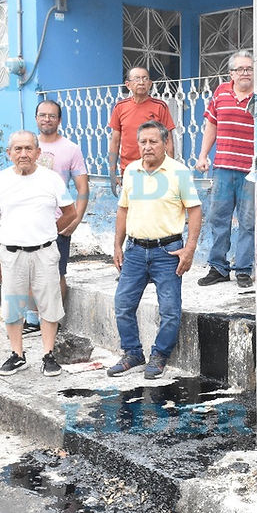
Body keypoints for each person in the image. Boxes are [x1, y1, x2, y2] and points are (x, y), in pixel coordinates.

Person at [107, 121, 202, 380]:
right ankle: (132, 353)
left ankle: (159, 355)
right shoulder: (131, 171)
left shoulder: (179, 173)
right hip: (135, 251)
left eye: (153, 142)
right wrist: (117, 244)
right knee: (123, 305)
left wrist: (190, 248)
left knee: (170, 310)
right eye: (143, 142)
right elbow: (123, 209)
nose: (147, 147)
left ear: (165, 143)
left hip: (168, 252)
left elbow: (194, 210)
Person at [0, 131, 75, 377]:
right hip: (12, 254)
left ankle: (48, 355)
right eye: (18, 149)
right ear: (9, 153)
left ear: (37, 152)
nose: (23, 154)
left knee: (49, 304)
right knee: (13, 306)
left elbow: (70, 212)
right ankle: (17, 355)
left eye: (28, 149)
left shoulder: (51, 179)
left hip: (45, 252)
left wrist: (48, 231)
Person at [17, 100, 89, 334]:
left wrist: (75, 219)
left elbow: (82, 188)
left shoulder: (71, 149)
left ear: (59, 120)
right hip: (27, 222)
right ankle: (33, 320)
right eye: (42, 115)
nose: (47, 119)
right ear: (36, 118)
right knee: (28, 273)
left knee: (56, 274)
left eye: (52, 116)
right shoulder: (25, 147)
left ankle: (53, 321)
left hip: (57, 223)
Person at [195, 50, 256, 289]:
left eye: (249, 68)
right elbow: (212, 124)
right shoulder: (221, 91)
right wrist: (202, 155)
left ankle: (243, 269)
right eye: (240, 69)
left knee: (248, 222)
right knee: (218, 218)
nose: (245, 73)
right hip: (222, 168)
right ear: (231, 73)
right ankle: (218, 268)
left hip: (251, 170)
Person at [108, 67, 176, 195]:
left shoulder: (159, 106)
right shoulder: (120, 107)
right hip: (129, 170)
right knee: (131, 210)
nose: (141, 82)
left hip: (155, 169)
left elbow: (169, 141)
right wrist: (112, 172)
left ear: (150, 84)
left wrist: (170, 170)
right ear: (128, 85)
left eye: (145, 79)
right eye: (137, 79)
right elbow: (115, 142)